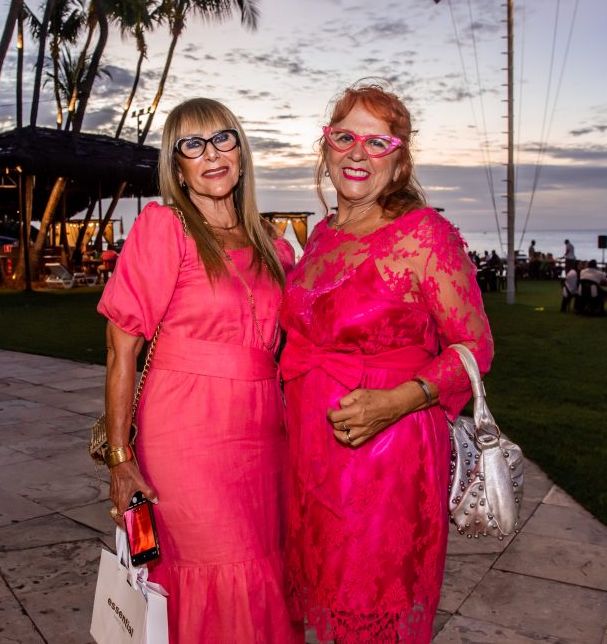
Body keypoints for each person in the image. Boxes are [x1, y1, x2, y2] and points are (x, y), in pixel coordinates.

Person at [279, 83, 494, 643]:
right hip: (308, 454)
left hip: (387, 456)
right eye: (344, 136)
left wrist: (396, 402)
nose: (357, 153)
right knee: (317, 606)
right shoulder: (323, 237)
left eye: (378, 141)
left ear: (399, 161)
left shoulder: (426, 236)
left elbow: (475, 347)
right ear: (325, 148)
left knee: (371, 614)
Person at [97, 98, 302, 644]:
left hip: (264, 435)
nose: (211, 154)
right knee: (215, 565)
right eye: (193, 144)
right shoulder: (165, 228)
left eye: (223, 138)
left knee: (262, 565)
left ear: (241, 149)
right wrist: (120, 460)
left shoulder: (274, 244)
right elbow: (122, 350)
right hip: (186, 432)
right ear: (177, 164)